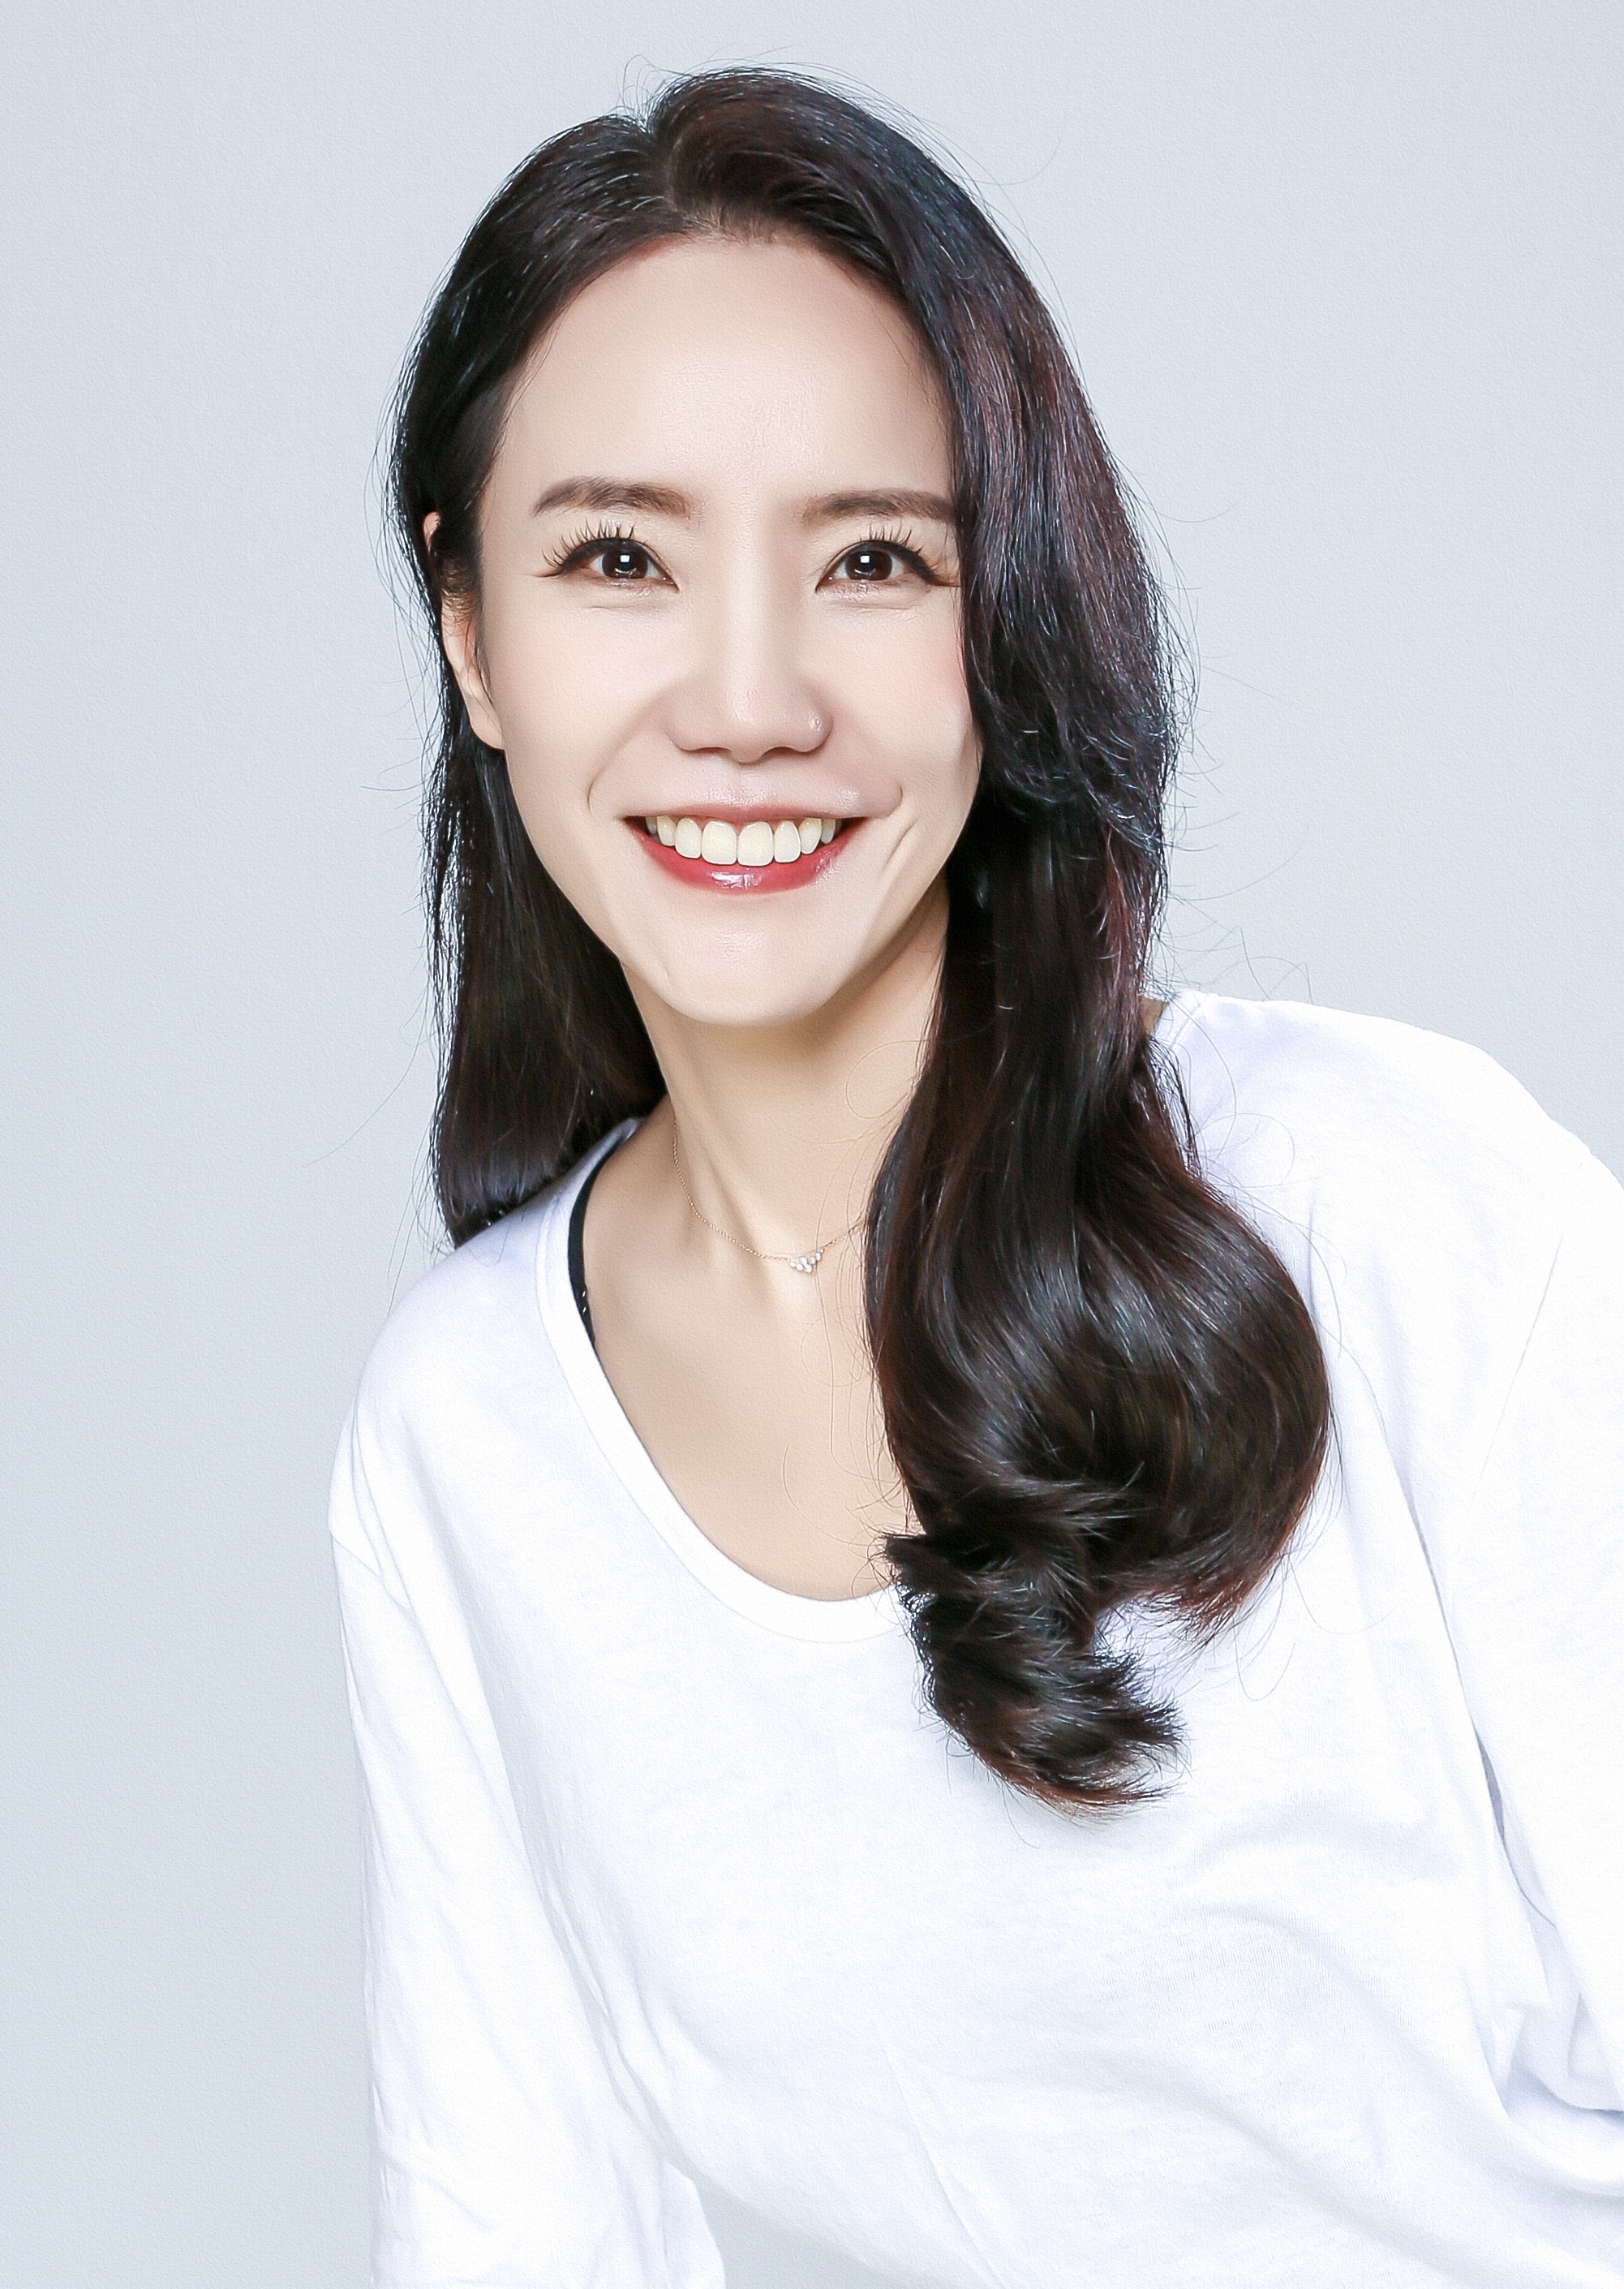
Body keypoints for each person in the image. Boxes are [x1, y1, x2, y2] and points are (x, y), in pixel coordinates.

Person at [330, 68, 1622, 2289]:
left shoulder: (1385, 1209)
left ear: (1000, 622)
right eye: (618, 559)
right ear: (472, 635)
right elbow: (515, 2235)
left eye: (873, 561)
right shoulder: (466, 1435)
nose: (747, 700)